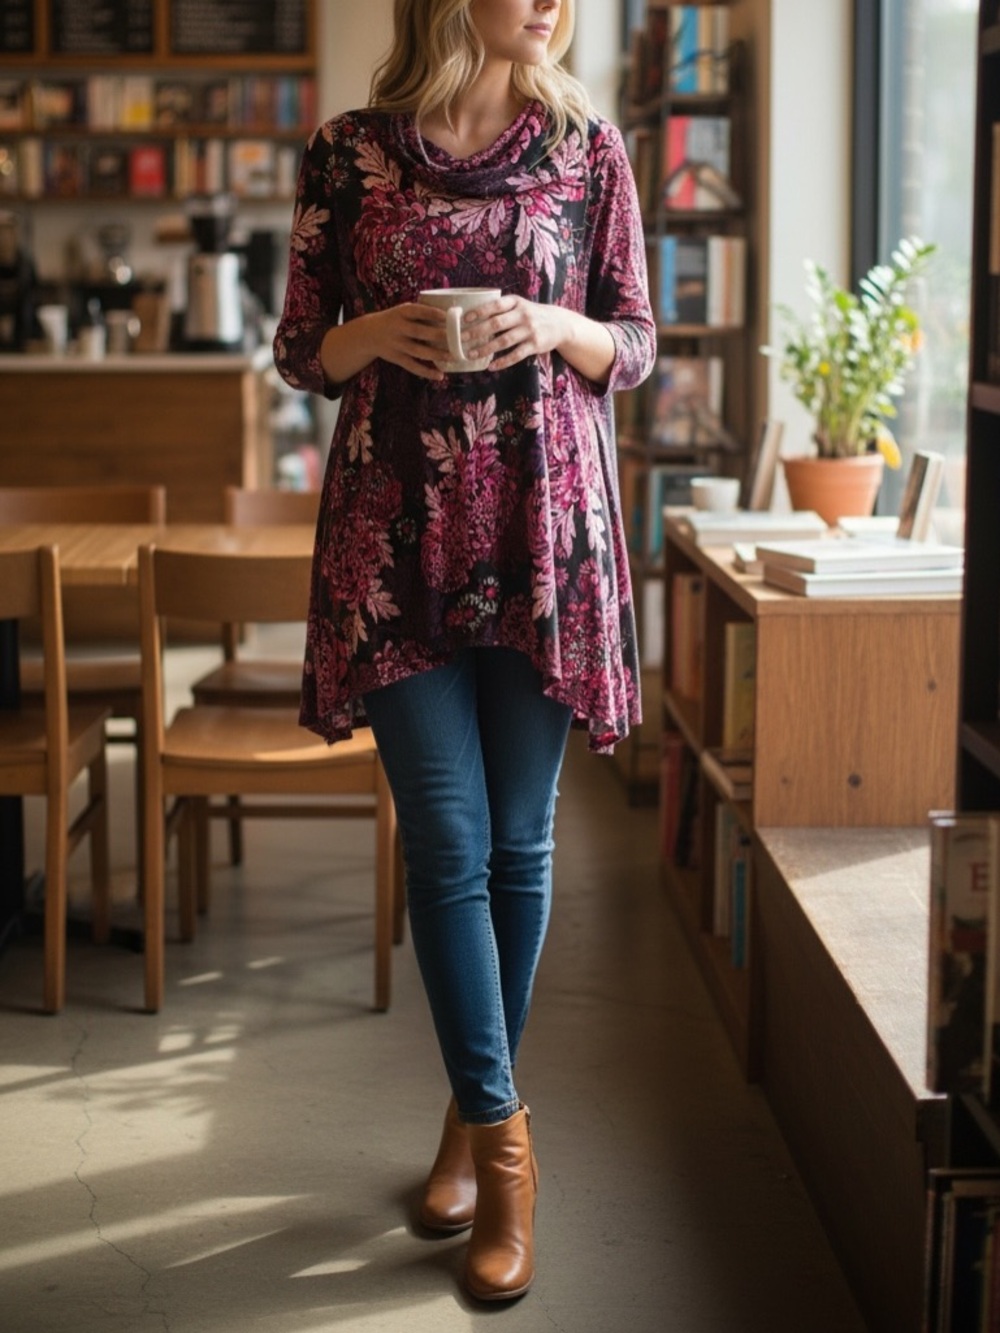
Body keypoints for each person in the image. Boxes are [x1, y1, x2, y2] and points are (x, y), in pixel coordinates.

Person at [272, 0, 655, 1303]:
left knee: (519, 845)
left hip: (546, 532)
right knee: (447, 840)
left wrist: (551, 325)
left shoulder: (588, 145)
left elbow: (633, 341)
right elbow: (301, 348)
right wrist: (373, 333)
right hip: (395, 536)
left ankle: (469, 1116)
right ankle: (505, 1151)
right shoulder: (349, 150)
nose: (552, 1)